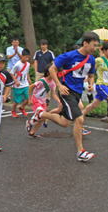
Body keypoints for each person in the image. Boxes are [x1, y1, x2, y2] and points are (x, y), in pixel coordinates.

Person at [26, 31, 99, 162]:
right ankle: (80, 152)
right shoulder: (69, 56)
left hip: (77, 93)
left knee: (64, 123)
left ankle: (41, 115)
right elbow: (53, 69)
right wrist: (59, 85)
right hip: (67, 91)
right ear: (85, 43)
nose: (95, 48)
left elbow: (91, 75)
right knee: (79, 119)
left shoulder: (91, 59)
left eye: (97, 46)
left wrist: (90, 84)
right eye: (94, 45)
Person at [10, 49, 31, 118]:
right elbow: (11, 73)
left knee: (28, 99)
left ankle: (22, 107)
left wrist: (29, 79)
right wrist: (16, 81)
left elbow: (27, 72)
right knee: (17, 101)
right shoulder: (17, 65)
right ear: (22, 56)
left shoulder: (28, 64)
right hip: (18, 86)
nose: (27, 59)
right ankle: (13, 111)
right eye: (25, 57)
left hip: (25, 84)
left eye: (28, 57)